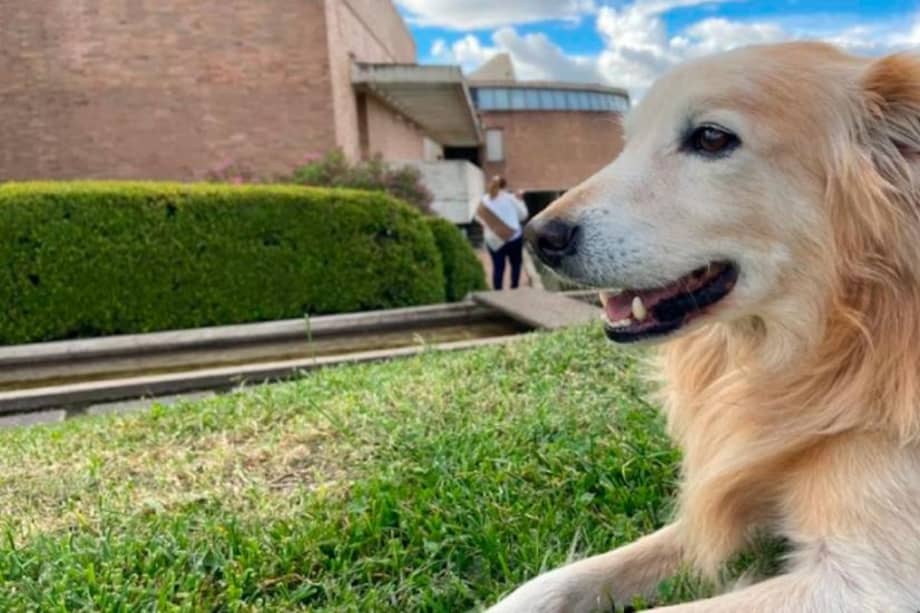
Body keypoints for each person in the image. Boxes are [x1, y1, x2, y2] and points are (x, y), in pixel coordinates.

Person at [477, 176, 529, 290]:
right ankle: (514, 288)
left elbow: (480, 220)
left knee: (498, 267)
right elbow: (523, 215)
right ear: (504, 185)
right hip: (513, 238)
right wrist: (520, 200)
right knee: (515, 264)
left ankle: (498, 293)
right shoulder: (511, 198)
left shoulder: (484, 200)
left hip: (494, 240)